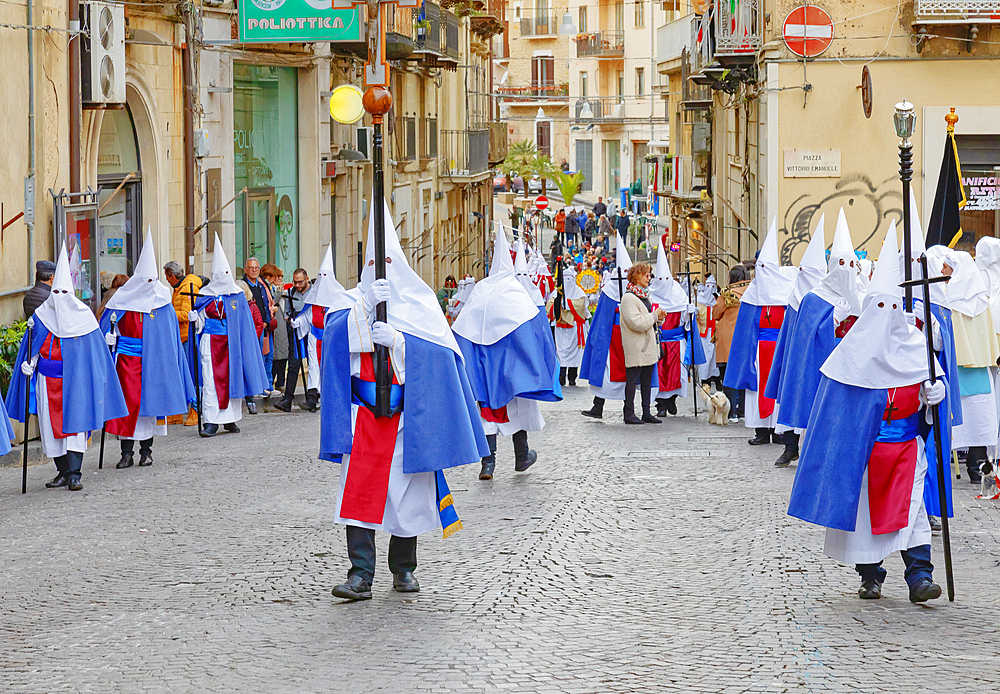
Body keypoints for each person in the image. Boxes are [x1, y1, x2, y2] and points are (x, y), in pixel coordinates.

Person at [320, 199, 489, 601]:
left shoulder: (420, 305)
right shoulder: (349, 303)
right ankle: (360, 573)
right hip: (365, 418)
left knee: (407, 499)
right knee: (359, 496)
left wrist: (400, 343)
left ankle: (404, 569)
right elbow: (330, 340)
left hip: (406, 419)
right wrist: (362, 309)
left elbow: (442, 356)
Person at [788, 221, 947, 603]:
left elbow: (935, 402)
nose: (886, 312)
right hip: (865, 451)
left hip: (908, 449)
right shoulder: (851, 357)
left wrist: (934, 394)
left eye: (892, 306)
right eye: (879, 305)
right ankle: (870, 576)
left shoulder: (915, 348)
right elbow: (835, 415)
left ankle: (919, 577)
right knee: (865, 523)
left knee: (913, 516)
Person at [5, 244, 128, 491]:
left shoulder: (83, 317)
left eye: (64, 291)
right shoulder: (41, 315)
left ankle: (75, 473)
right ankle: (62, 471)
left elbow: (94, 354)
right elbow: (33, 346)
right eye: (56, 291)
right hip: (46, 380)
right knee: (50, 430)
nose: (59, 297)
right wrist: (30, 364)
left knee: (75, 427)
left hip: (75, 381)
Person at [453, 230, 560, 480]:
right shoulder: (516, 294)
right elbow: (535, 332)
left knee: (489, 416)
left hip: (485, 371)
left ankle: (488, 464)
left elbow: (463, 329)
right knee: (518, 413)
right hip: (514, 371)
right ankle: (521, 456)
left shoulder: (481, 292)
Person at [99, 229, 196, 469]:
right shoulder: (122, 299)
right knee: (128, 406)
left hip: (154, 362)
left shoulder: (162, 301)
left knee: (150, 408)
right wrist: (109, 338)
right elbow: (107, 327)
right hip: (127, 361)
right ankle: (126, 453)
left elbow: (170, 336)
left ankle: (146, 451)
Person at [763, 214, 830, 467]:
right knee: (790, 405)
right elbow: (787, 335)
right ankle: (790, 447)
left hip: (818, 363)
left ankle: (814, 450)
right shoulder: (793, 301)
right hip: (794, 363)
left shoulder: (826, 300)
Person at [189, 235, 269, 438]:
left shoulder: (237, 295)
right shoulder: (205, 295)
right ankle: (212, 420)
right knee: (210, 380)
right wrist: (194, 318)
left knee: (232, 379)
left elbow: (244, 324)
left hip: (231, 344)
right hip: (210, 341)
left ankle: (230, 419)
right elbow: (201, 319)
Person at [723, 220, 795, 445]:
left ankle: (779, 430)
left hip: (779, 349)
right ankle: (761, 431)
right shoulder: (752, 295)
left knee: (777, 389)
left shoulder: (787, 294)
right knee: (757, 392)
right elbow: (745, 331)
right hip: (757, 352)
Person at [940, 249, 999, 484]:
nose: (942, 271)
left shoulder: (948, 298)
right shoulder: (981, 300)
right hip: (978, 369)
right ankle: (975, 466)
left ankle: (969, 465)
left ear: (956, 269)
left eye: (946, 266)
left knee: (966, 416)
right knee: (978, 417)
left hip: (957, 368)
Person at [279, 247, 351, 413]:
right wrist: (299, 323)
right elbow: (308, 314)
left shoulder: (340, 296)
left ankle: (331, 397)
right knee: (313, 367)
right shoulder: (315, 296)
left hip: (331, 338)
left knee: (328, 367)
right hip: (314, 335)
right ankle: (312, 397)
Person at [580, 234, 636, 420]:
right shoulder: (610, 291)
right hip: (611, 342)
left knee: (629, 374)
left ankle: (628, 409)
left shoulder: (633, 290)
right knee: (605, 373)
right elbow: (602, 320)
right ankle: (599, 407)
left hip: (628, 339)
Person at [649, 243, 702, 417]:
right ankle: (661, 405)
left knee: (677, 375)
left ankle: (672, 400)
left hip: (677, 343)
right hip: (658, 343)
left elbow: (685, 322)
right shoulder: (651, 295)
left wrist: (689, 313)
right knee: (658, 374)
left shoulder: (678, 294)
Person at [619, 262, 667, 424]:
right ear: (636, 276)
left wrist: (659, 318)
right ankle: (629, 413)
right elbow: (636, 322)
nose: (649, 277)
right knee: (632, 380)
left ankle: (646, 411)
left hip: (647, 345)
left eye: (649, 274)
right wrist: (654, 316)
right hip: (636, 345)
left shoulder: (644, 295)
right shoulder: (628, 298)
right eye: (646, 274)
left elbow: (648, 321)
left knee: (646, 380)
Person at [164, 260, 203, 427]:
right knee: (179, 374)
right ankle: (177, 412)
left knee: (189, 374)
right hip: (179, 336)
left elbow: (187, 313)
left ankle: (194, 410)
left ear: (172, 276)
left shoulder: (187, 288)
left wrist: (168, 313)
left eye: (167, 277)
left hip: (187, 336)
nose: (166, 280)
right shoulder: (179, 288)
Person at [715, 266, 750, 421]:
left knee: (728, 376)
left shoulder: (727, 292)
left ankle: (731, 411)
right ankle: (743, 410)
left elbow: (716, 312)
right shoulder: (752, 290)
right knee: (743, 374)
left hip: (728, 337)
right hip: (746, 336)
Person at [547, 260, 589, 387]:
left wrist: (567, 304)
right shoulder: (556, 292)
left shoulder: (579, 292)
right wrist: (558, 304)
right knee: (561, 352)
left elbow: (581, 305)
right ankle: (561, 376)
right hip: (561, 327)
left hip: (575, 327)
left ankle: (572, 377)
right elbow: (549, 307)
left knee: (574, 354)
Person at [241, 258, 273, 415]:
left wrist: (266, 321)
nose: (254, 270)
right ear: (245, 270)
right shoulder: (242, 286)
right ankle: (250, 396)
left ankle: (261, 387)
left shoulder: (261, 286)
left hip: (261, 328)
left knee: (264, 358)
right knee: (250, 362)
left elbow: (265, 305)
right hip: (248, 330)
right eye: (251, 268)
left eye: (256, 268)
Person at [276, 269, 311, 409]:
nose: (297, 285)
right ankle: (288, 399)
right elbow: (287, 312)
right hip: (296, 332)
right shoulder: (290, 293)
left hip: (312, 332)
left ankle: (314, 397)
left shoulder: (315, 292)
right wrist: (289, 319)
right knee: (293, 364)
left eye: (300, 282)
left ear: (307, 279)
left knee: (314, 364)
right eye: (295, 282)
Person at [260, 263, 288, 393]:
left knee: (274, 355)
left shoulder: (268, 286)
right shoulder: (265, 287)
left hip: (275, 324)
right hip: (267, 324)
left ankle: (272, 384)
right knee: (267, 355)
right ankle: (267, 384)